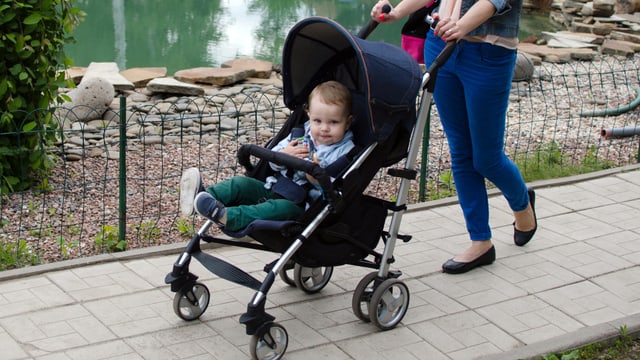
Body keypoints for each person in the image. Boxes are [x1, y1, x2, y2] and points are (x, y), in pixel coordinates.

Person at [371, 0, 537, 274]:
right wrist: (398, 12)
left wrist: (461, 25)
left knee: (487, 159)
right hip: (442, 47)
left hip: (488, 54)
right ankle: (480, 241)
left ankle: (522, 204)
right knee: (461, 152)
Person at [179, 80, 355, 232]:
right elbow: (273, 162)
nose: (324, 128)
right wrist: (284, 155)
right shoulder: (301, 134)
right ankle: (201, 198)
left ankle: (228, 217)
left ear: (347, 122)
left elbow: (336, 190)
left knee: (276, 208)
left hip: (301, 205)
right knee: (240, 183)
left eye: (333, 122)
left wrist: (316, 179)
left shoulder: (345, 151)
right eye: (318, 121)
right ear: (309, 115)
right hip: (273, 187)